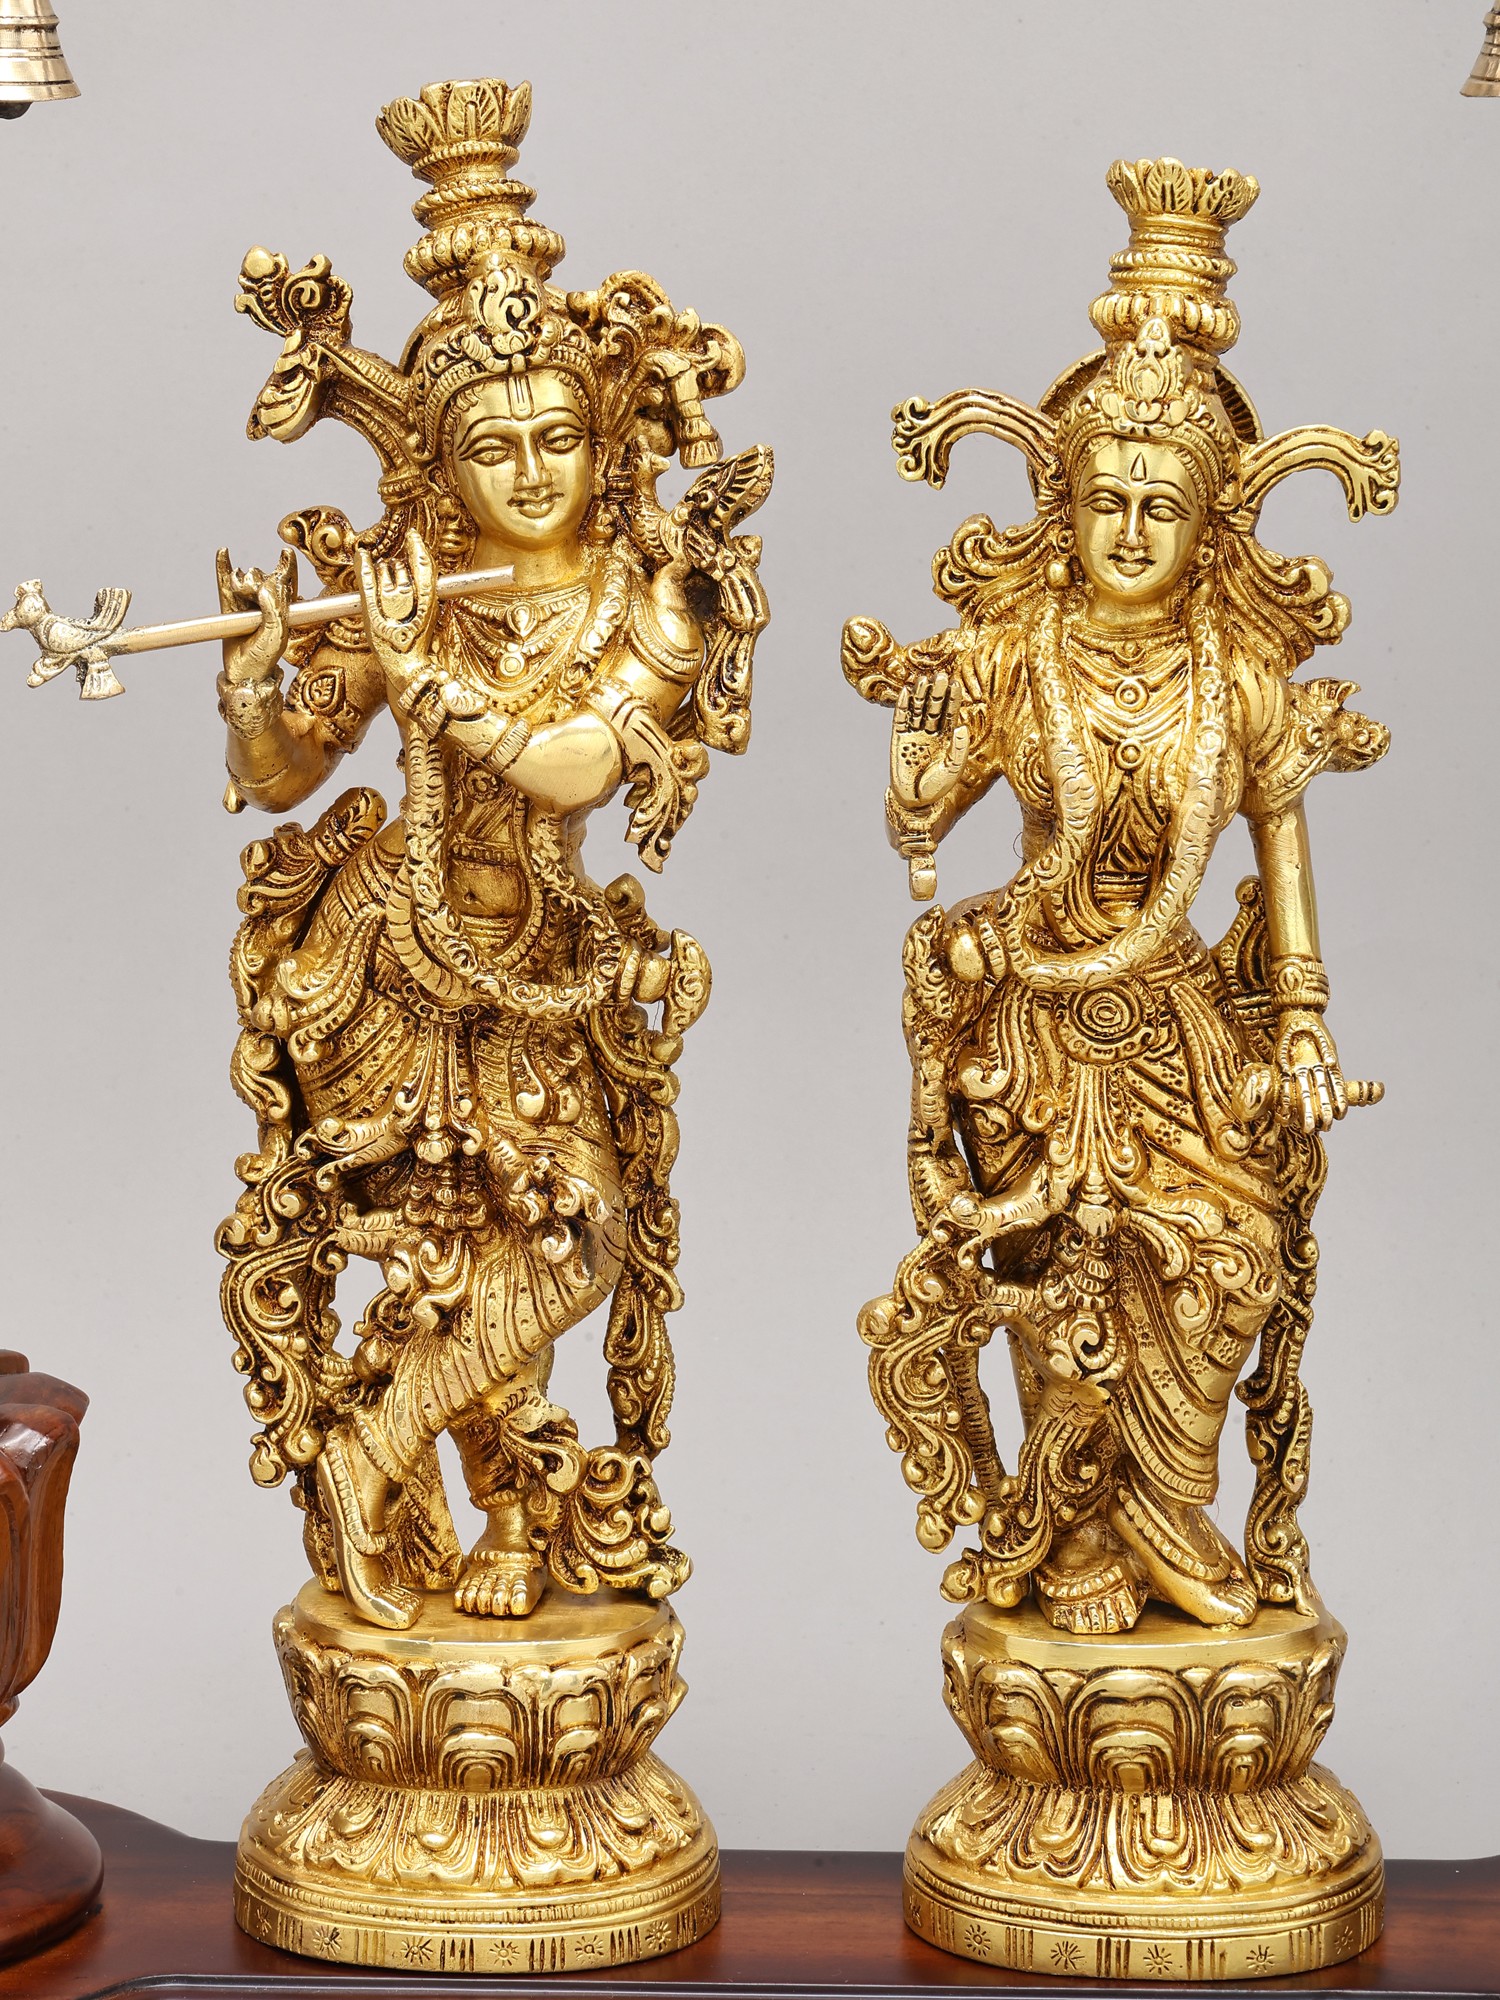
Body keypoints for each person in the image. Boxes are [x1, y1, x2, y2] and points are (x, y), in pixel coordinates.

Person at [216, 79, 770, 1631]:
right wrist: (260, 688)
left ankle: (380, 1456)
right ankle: (492, 1516)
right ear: (439, 466)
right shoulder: (411, 584)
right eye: (492, 446)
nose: (530, 471)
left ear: (602, 443)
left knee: (565, 1236)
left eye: (557, 439)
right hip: (387, 961)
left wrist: (429, 675)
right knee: (439, 1247)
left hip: (540, 959)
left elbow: (582, 757)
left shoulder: (639, 597)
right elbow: (281, 774)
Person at [846, 157, 1393, 1634]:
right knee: (1055, 1268)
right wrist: (917, 747)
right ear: (1064, 505)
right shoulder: (1019, 658)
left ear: (1213, 527)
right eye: (1107, 499)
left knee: (1233, 1259)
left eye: (1165, 504)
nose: (1133, 529)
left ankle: (1168, 1509)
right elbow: (923, 818)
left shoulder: (1244, 682)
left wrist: (1302, 1025)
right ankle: (1076, 1537)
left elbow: (1285, 869)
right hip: (1031, 1012)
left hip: (1177, 1026)